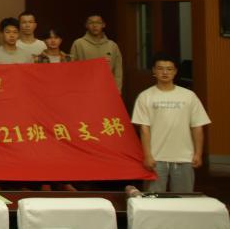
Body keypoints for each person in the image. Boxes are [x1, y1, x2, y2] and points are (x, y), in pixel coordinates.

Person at [132, 54, 211, 193]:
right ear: (154, 71)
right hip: (156, 158)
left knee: (183, 199)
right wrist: (148, 155)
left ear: (175, 72)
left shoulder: (189, 96)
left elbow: (197, 126)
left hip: (184, 157)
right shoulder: (145, 96)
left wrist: (198, 153)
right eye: (160, 68)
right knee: (153, 199)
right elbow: (144, 129)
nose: (165, 72)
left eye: (169, 69)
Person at [70, 13, 124, 91]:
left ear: (103, 25)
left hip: (107, 88)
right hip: (85, 88)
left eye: (98, 22)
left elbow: (118, 71)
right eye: (91, 23)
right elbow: (72, 69)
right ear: (86, 25)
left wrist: (117, 90)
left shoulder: (112, 45)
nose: (95, 25)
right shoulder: (78, 44)